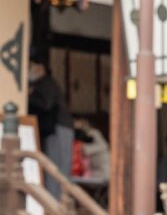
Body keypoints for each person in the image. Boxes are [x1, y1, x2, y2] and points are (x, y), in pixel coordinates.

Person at [27, 53, 73, 199]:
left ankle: (57, 202)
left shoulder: (47, 83)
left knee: (57, 168)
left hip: (60, 128)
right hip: (55, 129)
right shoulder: (42, 84)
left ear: (40, 68)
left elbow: (46, 104)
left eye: (31, 66)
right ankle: (54, 200)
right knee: (54, 167)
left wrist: (29, 96)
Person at [71, 115, 109, 183]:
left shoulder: (93, 133)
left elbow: (104, 146)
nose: (76, 124)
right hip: (94, 170)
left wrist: (84, 148)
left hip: (101, 171)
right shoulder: (81, 135)